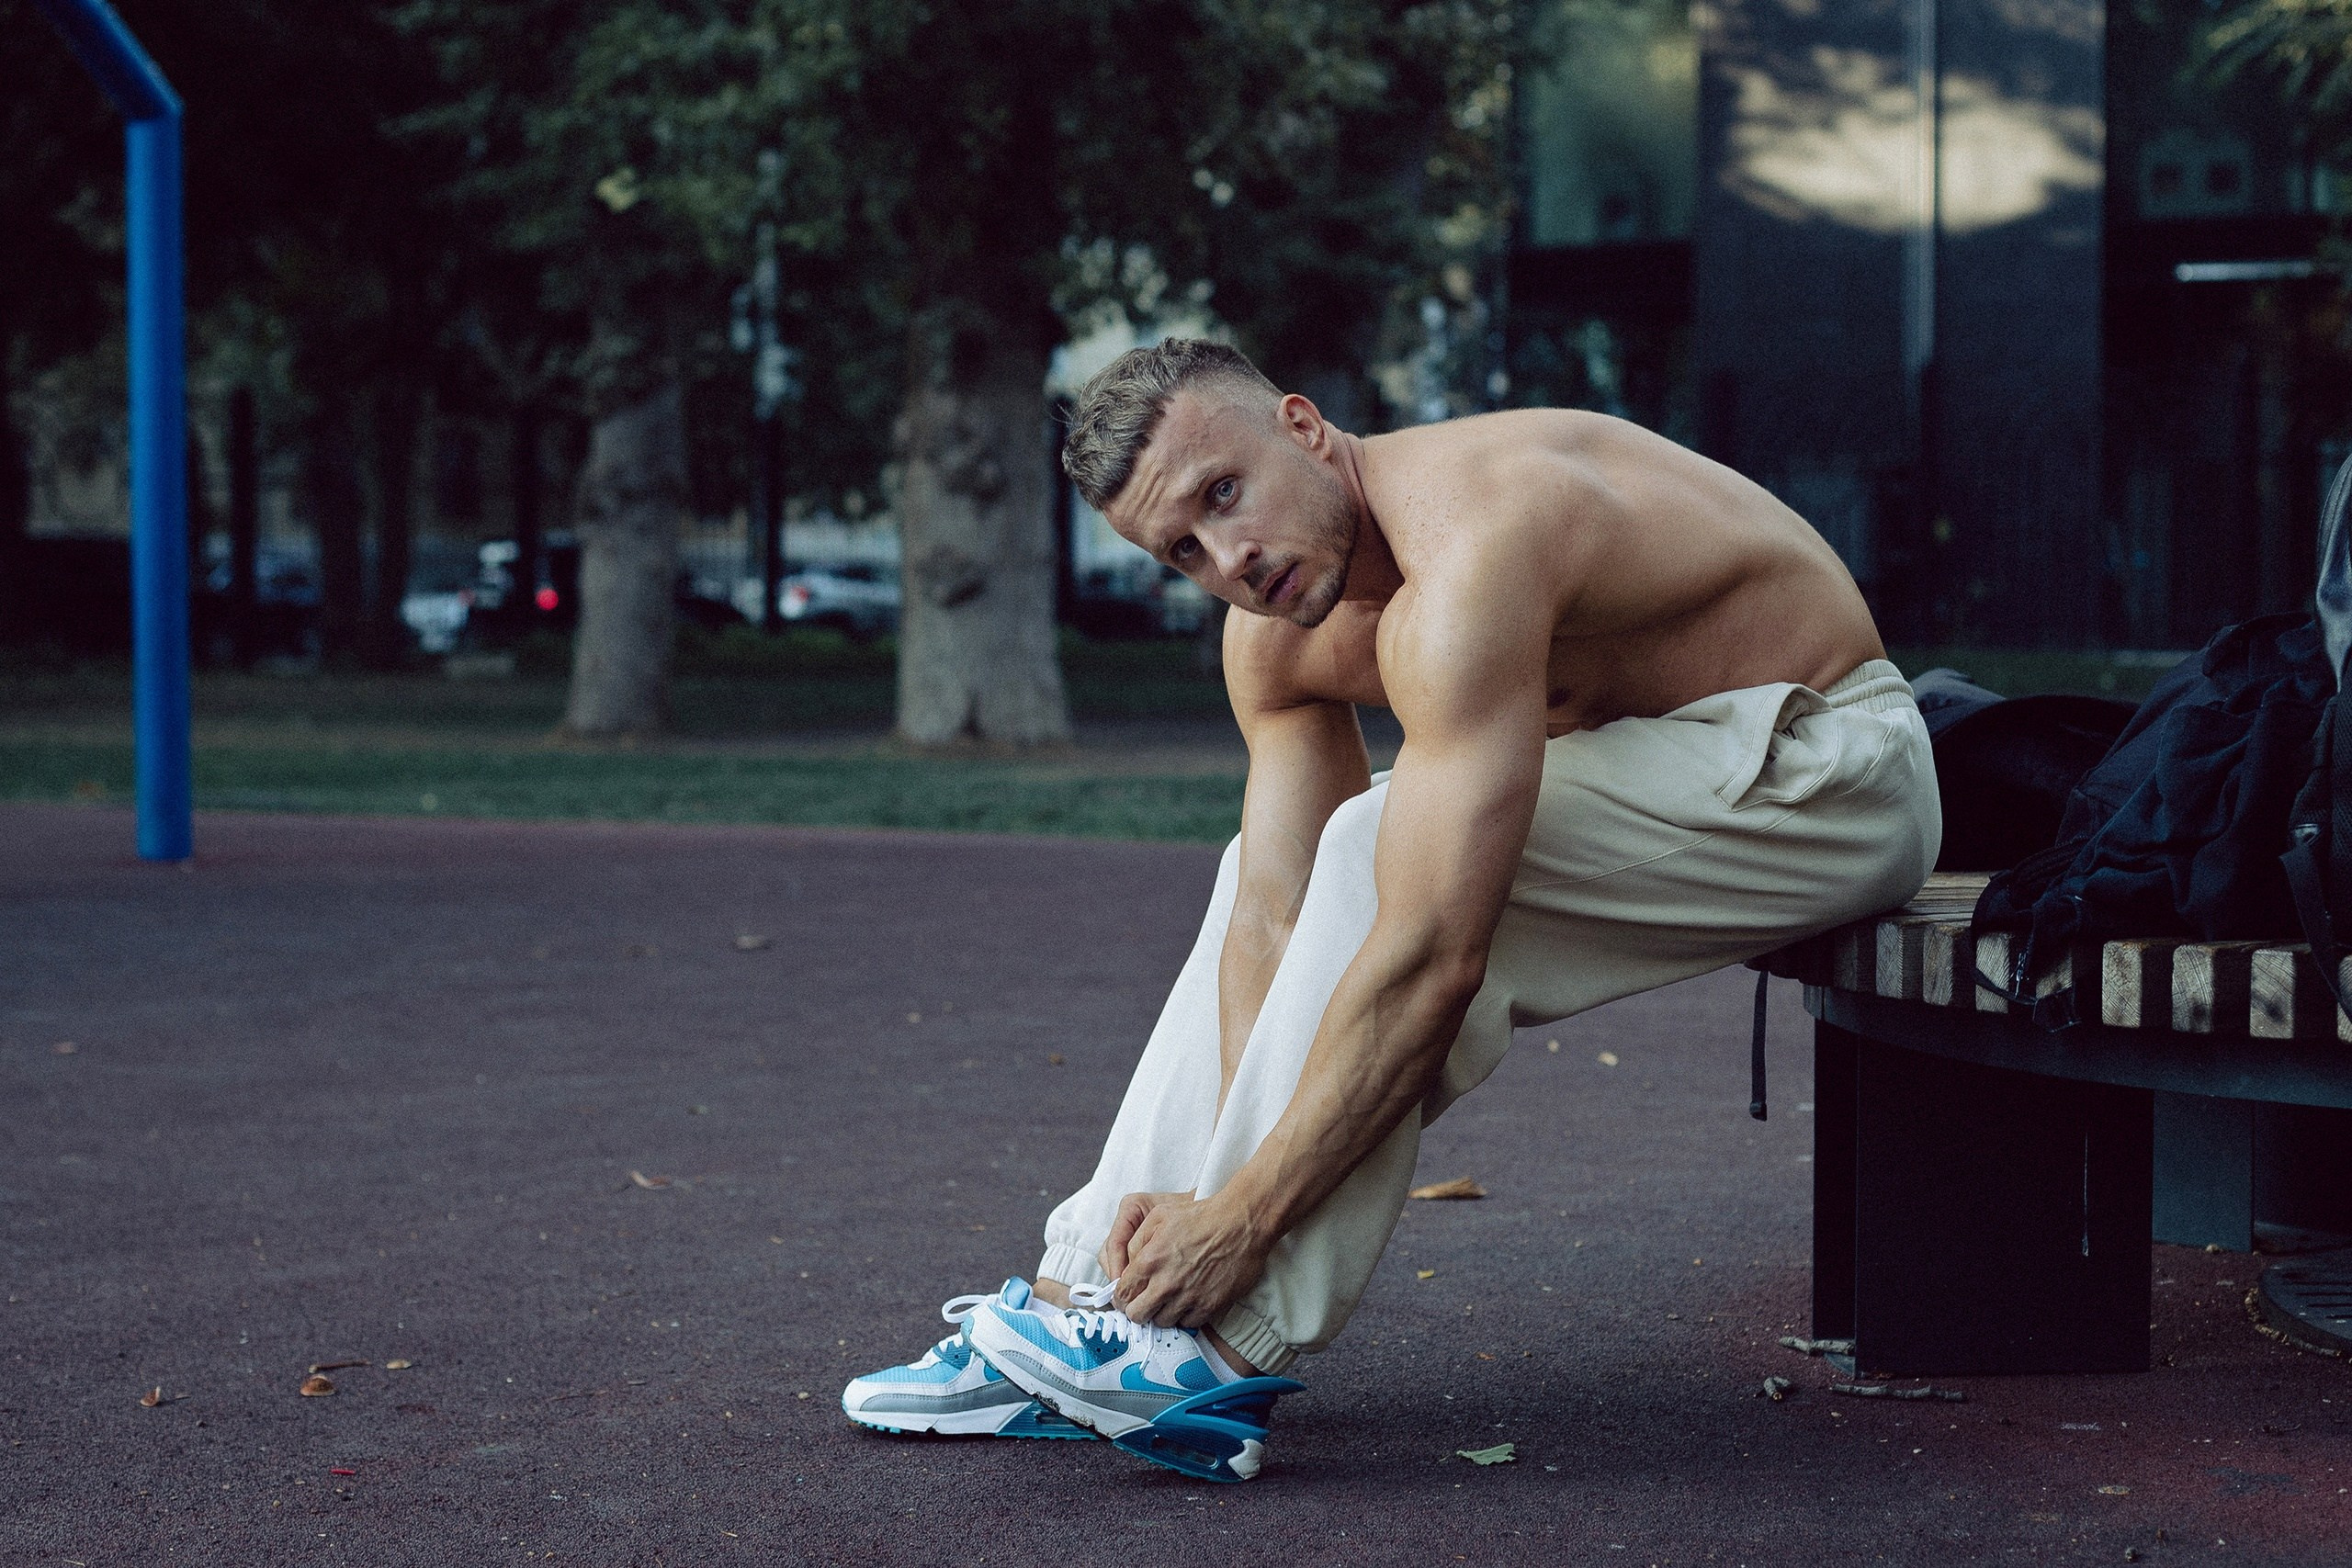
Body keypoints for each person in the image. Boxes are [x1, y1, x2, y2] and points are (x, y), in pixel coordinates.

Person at [842, 339, 1940, 1482]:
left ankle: (1210, 1347)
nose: (1229, 557)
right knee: (1275, 861)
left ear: (1304, 428)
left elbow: (1433, 958)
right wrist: (1205, 1191)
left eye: (1225, 494)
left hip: (1832, 771)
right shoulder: (1272, 638)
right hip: (1652, 769)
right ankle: (1092, 1301)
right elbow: (1274, 918)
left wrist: (1247, 1217)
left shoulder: (1475, 538)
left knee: (1381, 854)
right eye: (1182, 548)